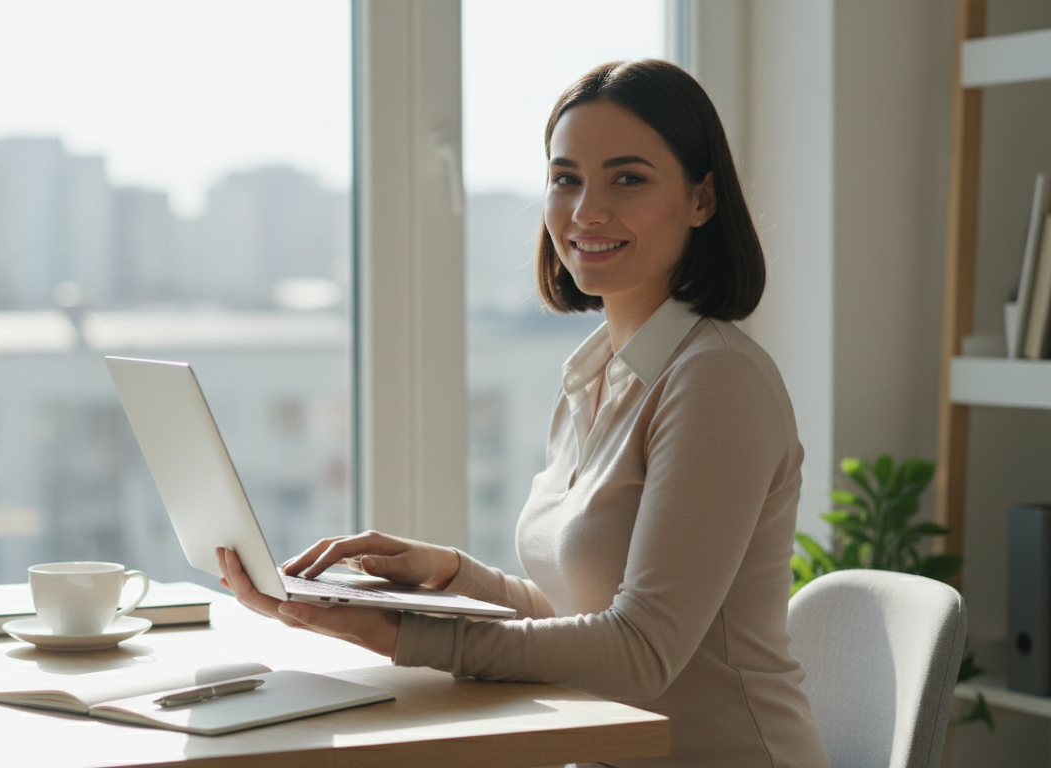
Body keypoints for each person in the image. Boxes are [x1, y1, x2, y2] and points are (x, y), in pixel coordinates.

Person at [216, 59, 829, 768]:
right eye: (566, 178)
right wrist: (446, 577)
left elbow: (640, 653)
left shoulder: (717, 380)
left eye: (628, 178)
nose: (587, 210)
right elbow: (577, 615)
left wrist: (396, 635)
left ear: (702, 198)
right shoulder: (597, 376)